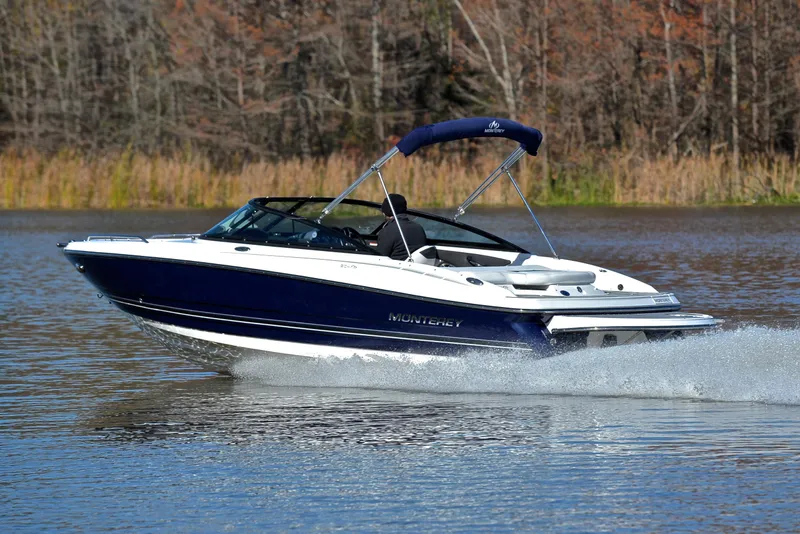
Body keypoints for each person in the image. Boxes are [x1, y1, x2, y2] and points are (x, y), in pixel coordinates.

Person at [376, 193, 427, 260]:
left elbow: (379, 258)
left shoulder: (388, 231)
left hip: (396, 269)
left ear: (385, 212)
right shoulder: (419, 228)